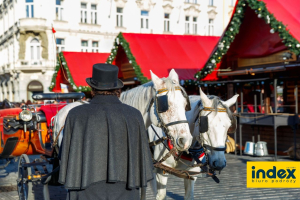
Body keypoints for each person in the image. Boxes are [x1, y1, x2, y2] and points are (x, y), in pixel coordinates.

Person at [59, 63, 153, 200]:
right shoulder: (134, 115)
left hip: (85, 188)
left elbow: (66, 155)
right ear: (118, 90)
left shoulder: (76, 114)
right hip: (126, 189)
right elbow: (143, 156)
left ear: (92, 89)